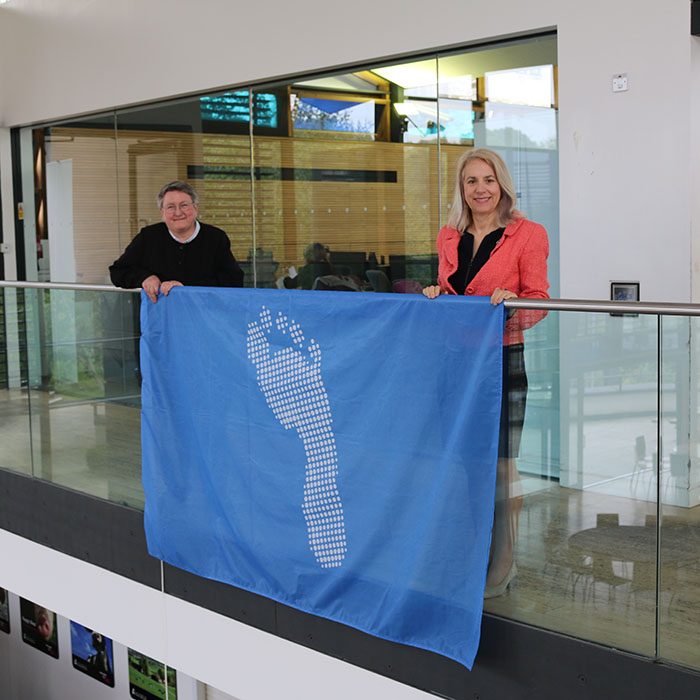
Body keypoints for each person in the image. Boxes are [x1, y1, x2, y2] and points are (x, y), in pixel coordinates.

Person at [423, 148, 549, 598]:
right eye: (472, 181)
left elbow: (539, 301)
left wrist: (509, 305)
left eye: (489, 180)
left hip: (500, 360)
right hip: (454, 365)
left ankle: (503, 563)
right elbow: (453, 297)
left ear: (503, 186)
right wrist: (437, 294)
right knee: (464, 466)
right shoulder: (448, 236)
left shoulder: (528, 234)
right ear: (462, 189)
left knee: (500, 468)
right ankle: (473, 552)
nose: (481, 189)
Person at [110, 181, 244, 301]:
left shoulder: (216, 238)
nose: (178, 213)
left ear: (195, 208)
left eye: (184, 205)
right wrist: (146, 278)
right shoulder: (148, 236)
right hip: (161, 318)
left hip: (203, 316)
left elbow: (233, 280)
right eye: (171, 207)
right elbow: (118, 272)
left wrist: (185, 288)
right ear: (162, 212)